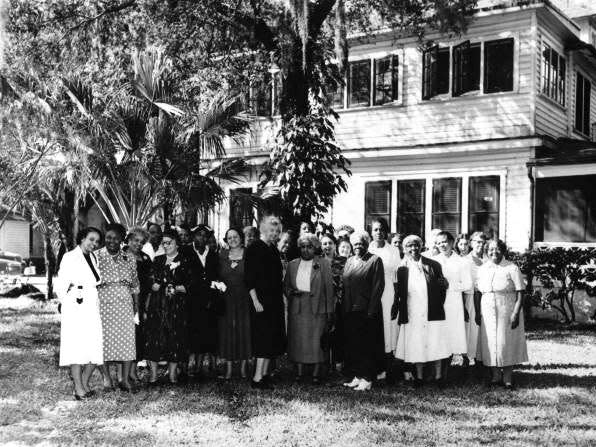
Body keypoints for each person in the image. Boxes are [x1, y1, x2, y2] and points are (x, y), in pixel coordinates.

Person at [392, 235, 450, 387]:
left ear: (421, 246)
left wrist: (437, 304)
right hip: (413, 311)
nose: (413, 248)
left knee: (435, 342)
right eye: (409, 246)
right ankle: (419, 378)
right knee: (416, 343)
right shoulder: (402, 268)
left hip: (432, 310)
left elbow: (442, 287)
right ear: (404, 249)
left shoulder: (433, 265)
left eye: (416, 245)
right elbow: (399, 293)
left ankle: (438, 378)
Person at [56, 227, 104, 400]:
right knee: (76, 347)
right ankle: (78, 388)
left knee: (94, 346)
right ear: (82, 238)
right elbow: (60, 285)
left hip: (92, 305)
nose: (94, 244)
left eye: (97, 241)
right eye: (91, 239)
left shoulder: (93, 257)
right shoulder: (70, 257)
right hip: (76, 306)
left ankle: (83, 382)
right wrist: (67, 303)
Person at [476, 239, 528, 389]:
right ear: (486, 251)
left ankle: (507, 378)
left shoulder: (512, 268)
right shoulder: (483, 268)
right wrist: (478, 312)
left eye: (497, 249)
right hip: (487, 309)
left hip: (506, 307)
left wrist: (516, 313)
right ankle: (495, 376)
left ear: (503, 250)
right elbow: (477, 292)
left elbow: (520, 292)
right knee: (490, 342)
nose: (494, 252)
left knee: (506, 342)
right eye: (491, 249)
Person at [285, 234, 334, 383]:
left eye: (309, 247)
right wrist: (292, 292)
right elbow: (286, 286)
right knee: (298, 340)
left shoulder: (323, 264)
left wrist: (329, 312)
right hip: (298, 308)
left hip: (318, 307)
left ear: (315, 248)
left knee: (316, 342)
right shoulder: (292, 264)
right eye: (303, 247)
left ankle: (316, 374)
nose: (306, 250)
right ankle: (299, 373)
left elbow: (329, 289)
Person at [144, 229, 192, 384]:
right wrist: (154, 283)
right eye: (163, 243)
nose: (165, 246)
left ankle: (172, 375)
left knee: (175, 338)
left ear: (177, 243)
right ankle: (153, 375)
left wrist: (178, 288)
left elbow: (191, 283)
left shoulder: (185, 260)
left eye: (169, 242)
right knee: (154, 338)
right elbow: (150, 279)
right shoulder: (157, 260)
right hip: (157, 305)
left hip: (176, 306)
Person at [244, 214, 286, 389]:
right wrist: (255, 300)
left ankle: (265, 374)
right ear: (263, 229)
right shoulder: (255, 248)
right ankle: (257, 378)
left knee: (271, 338)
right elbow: (249, 277)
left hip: (274, 301)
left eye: (277, 231)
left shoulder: (274, 250)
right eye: (271, 230)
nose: (274, 233)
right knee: (262, 339)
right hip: (260, 301)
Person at [96, 223, 139, 392]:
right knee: (103, 341)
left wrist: (136, 305)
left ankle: (125, 380)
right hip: (103, 304)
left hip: (125, 304)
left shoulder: (129, 258)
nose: (111, 241)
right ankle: (107, 379)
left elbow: (135, 284)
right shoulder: (96, 256)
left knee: (127, 341)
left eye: (115, 238)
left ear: (122, 240)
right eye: (108, 237)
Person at [341, 231, 384, 391]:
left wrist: (371, 310)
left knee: (367, 345)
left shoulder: (375, 260)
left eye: (361, 243)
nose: (358, 246)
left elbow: (378, 287)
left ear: (367, 244)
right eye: (356, 244)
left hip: (367, 310)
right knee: (354, 345)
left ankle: (367, 378)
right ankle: (357, 376)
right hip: (350, 309)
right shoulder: (350, 261)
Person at [367, 218, 402, 381]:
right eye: (375, 230)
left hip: (387, 292)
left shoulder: (393, 251)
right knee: (373, 326)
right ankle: (374, 365)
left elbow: (396, 277)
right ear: (371, 232)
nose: (378, 232)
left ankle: (388, 368)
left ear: (386, 231)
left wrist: (396, 299)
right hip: (370, 291)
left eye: (381, 229)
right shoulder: (368, 248)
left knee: (388, 327)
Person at [217, 228, 252, 380]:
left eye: (235, 236)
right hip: (227, 299)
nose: (232, 240)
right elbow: (216, 276)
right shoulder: (222, 255)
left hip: (245, 298)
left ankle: (244, 368)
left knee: (244, 331)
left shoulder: (249, 254)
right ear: (226, 240)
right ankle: (229, 369)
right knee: (228, 332)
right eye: (229, 237)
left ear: (241, 238)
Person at [433, 231, 472, 365]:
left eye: (444, 242)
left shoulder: (462, 262)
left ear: (451, 242)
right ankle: (438, 370)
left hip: (454, 302)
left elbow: (468, 285)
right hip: (437, 302)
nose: (442, 245)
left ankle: (450, 367)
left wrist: (450, 285)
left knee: (453, 333)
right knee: (439, 334)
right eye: (438, 243)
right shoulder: (433, 261)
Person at [188, 224, 220, 378]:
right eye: (198, 235)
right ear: (193, 236)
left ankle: (212, 365)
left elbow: (217, 277)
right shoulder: (187, 253)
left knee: (211, 331)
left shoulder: (213, 254)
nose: (201, 238)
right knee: (195, 332)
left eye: (204, 235)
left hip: (210, 299)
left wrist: (212, 295)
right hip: (192, 300)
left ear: (208, 238)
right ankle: (197, 365)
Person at [123, 227, 153, 382]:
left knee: (138, 335)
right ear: (129, 239)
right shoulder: (120, 255)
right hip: (123, 301)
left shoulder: (146, 258)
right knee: (126, 336)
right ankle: (124, 372)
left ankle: (133, 370)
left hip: (142, 300)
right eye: (136, 240)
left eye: (142, 242)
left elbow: (149, 281)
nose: (138, 244)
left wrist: (147, 304)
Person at [321, 233, 347, 369]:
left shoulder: (343, 261)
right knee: (324, 332)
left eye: (330, 243)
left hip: (339, 302)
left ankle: (338, 363)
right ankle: (324, 363)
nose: (327, 246)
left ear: (335, 245)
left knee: (338, 332)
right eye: (324, 243)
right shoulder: (317, 262)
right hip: (321, 303)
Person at [462, 231, 487, 364]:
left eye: (483, 242)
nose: (481, 245)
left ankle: (481, 358)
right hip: (470, 299)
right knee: (471, 328)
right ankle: (466, 358)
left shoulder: (489, 259)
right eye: (478, 242)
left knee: (484, 329)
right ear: (471, 243)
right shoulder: (465, 261)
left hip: (487, 299)